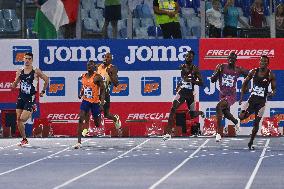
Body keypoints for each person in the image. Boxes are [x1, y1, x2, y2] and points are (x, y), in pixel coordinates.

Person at [163, 50, 204, 140]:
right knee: (173, 109)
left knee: (192, 115)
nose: (188, 58)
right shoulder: (182, 67)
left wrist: (191, 81)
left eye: (190, 57)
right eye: (186, 56)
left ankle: (200, 113)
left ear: (193, 59)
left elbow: (201, 83)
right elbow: (183, 79)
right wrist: (178, 85)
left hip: (190, 94)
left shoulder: (195, 69)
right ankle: (168, 133)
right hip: (182, 92)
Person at [11, 52, 48, 146]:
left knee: (23, 118)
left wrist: (43, 91)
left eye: (29, 59)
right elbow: (15, 83)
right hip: (21, 97)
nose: (27, 60)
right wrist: (14, 84)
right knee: (18, 120)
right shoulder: (20, 70)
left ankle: (32, 108)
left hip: (30, 97)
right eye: (25, 58)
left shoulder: (36, 71)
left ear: (32, 60)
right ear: (23, 59)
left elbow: (46, 79)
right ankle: (24, 139)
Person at [239, 55, 276, 150]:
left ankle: (251, 141)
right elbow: (244, 83)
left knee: (256, 123)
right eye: (261, 61)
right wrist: (242, 97)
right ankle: (247, 113)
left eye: (265, 61)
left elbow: (274, 88)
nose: (262, 62)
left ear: (267, 63)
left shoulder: (270, 74)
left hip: (261, 103)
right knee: (241, 116)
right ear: (259, 62)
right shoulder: (253, 71)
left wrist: (272, 93)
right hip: (251, 100)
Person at [210, 52, 248, 142]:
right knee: (226, 113)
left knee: (218, 107)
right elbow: (212, 80)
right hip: (222, 94)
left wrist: (247, 86)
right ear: (227, 59)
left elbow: (248, 75)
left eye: (233, 58)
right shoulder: (221, 67)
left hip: (231, 95)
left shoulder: (238, 69)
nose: (231, 60)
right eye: (230, 58)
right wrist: (217, 72)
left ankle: (219, 133)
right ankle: (236, 121)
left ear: (236, 60)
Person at [74, 60, 105, 149]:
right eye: (88, 65)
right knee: (80, 118)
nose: (89, 67)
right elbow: (84, 86)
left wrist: (102, 103)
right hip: (86, 101)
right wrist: (81, 93)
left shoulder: (97, 77)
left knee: (97, 123)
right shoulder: (83, 76)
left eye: (91, 65)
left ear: (94, 67)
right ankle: (78, 142)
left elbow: (102, 90)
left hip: (95, 102)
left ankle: (96, 119)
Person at [97, 52, 121, 130]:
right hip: (95, 93)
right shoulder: (98, 66)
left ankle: (115, 118)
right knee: (92, 110)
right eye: (105, 57)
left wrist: (110, 74)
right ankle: (87, 129)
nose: (106, 58)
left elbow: (116, 84)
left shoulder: (113, 68)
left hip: (105, 93)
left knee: (106, 114)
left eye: (108, 57)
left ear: (111, 60)